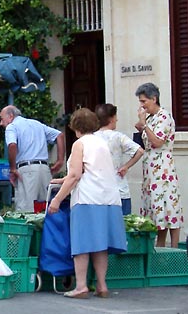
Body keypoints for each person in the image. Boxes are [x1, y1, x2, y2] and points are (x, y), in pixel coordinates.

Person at [48, 108, 127, 299]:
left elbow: (76, 175)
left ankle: (81, 286)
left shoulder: (79, 144)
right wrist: (63, 180)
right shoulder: (101, 143)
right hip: (109, 198)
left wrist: (57, 200)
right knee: (101, 245)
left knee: (82, 243)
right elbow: (91, 170)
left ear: (76, 126)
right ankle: (102, 285)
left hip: (87, 198)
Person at [134, 82, 183, 248]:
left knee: (169, 205)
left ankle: (174, 248)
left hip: (162, 167)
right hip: (151, 168)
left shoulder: (164, 116)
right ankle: (160, 247)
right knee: (157, 208)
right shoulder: (150, 118)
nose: (142, 105)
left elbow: (157, 141)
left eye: (144, 101)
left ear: (154, 99)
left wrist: (145, 126)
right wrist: (141, 126)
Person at [0, 105, 65, 212]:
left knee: (27, 209)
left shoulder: (12, 127)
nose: (1, 123)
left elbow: (12, 145)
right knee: (45, 208)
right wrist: (60, 160)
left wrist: (12, 169)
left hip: (27, 170)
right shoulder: (37, 124)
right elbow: (59, 135)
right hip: (44, 169)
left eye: (2, 119)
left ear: (11, 116)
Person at [94, 103, 144, 215]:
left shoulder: (91, 138)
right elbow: (139, 151)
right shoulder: (118, 137)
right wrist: (126, 166)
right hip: (119, 188)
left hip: (99, 190)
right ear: (111, 118)